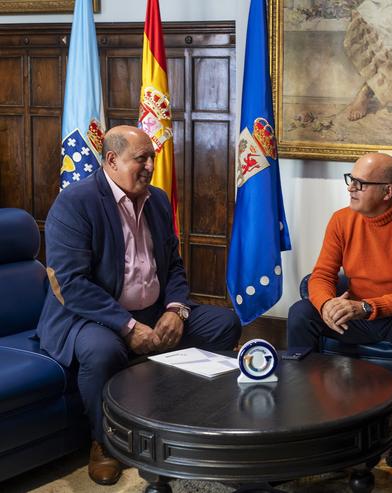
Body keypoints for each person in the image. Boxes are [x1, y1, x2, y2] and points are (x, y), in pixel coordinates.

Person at [36, 125, 242, 486]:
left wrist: (175, 309)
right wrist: (126, 326)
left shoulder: (157, 200)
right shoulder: (76, 203)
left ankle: (182, 416)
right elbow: (71, 283)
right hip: (90, 317)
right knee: (102, 352)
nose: (149, 165)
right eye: (141, 158)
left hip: (153, 310)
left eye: (152, 157)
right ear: (112, 160)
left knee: (224, 323)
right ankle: (104, 442)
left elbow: (174, 266)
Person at [287, 152, 392, 468]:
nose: (350, 188)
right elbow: (321, 276)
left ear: (388, 191)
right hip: (358, 310)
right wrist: (327, 303)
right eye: (351, 179)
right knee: (302, 312)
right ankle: (305, 413)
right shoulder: (342, 220)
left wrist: (367, 306)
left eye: (360, 183)